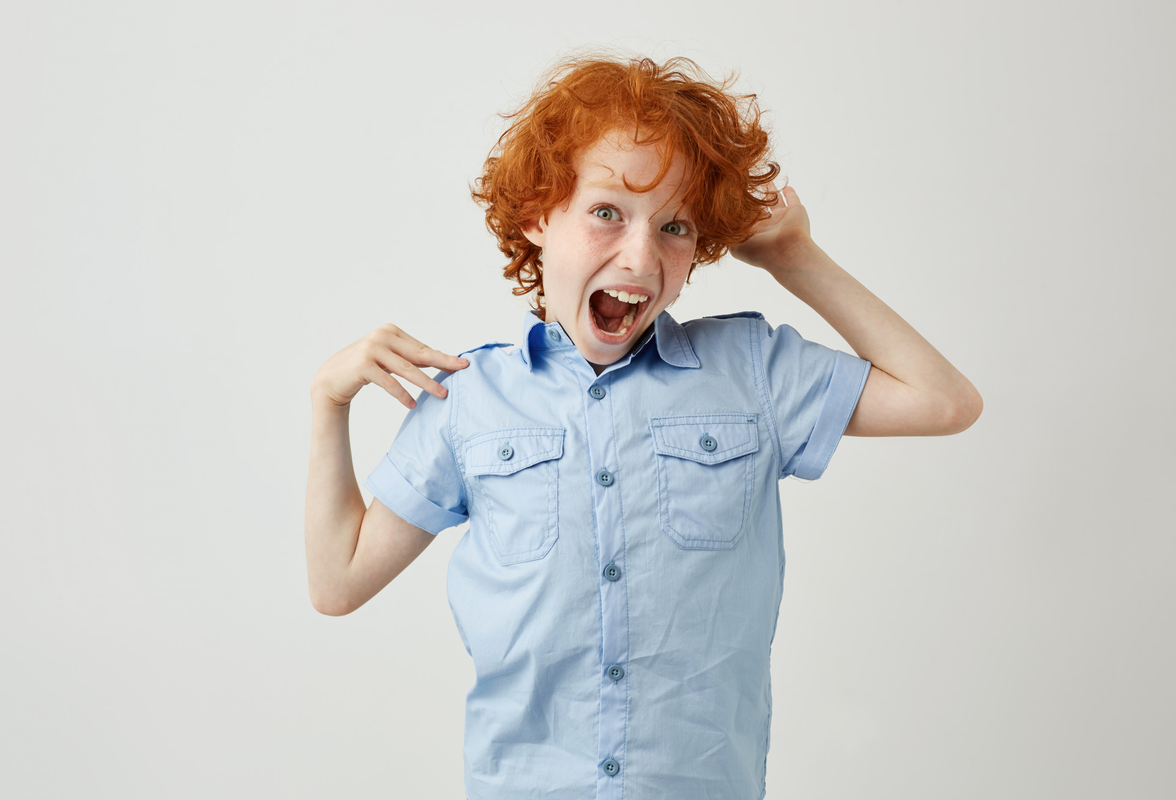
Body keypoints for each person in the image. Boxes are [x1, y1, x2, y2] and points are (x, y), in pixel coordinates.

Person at [305, 54, 982, 800]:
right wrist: (327, 405)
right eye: (606, 212)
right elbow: (337, 583)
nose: (641, 254)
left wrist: (794, 256)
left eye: (675, 225)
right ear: (538, 216)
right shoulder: (468, 399)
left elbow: (943, 401)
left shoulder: (751, 372)